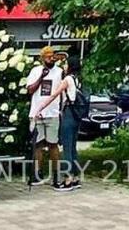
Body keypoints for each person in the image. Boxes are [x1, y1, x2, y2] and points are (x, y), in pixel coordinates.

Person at [24, 46, 64, 186]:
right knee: (38, 144)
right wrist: (42, 77)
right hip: (36, 113)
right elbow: (30, 90)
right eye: (47, 57)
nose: (51, 59)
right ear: (42, 58)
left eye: (52, 56)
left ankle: (56, 174)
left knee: (53, 144)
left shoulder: (59, 72)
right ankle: (37, 173)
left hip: (52, 112)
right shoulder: (35, 71)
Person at [54, 53, 87, 190]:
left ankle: (68, 179)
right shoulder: (78, 79)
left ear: (70, 66)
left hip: (68, 113)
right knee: (73, 146)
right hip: (76, 115)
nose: (64, 66)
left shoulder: (67, 79)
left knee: (66, 147)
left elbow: (55, 94)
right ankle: (76, 177)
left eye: (66, 64)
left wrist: (41, 107)